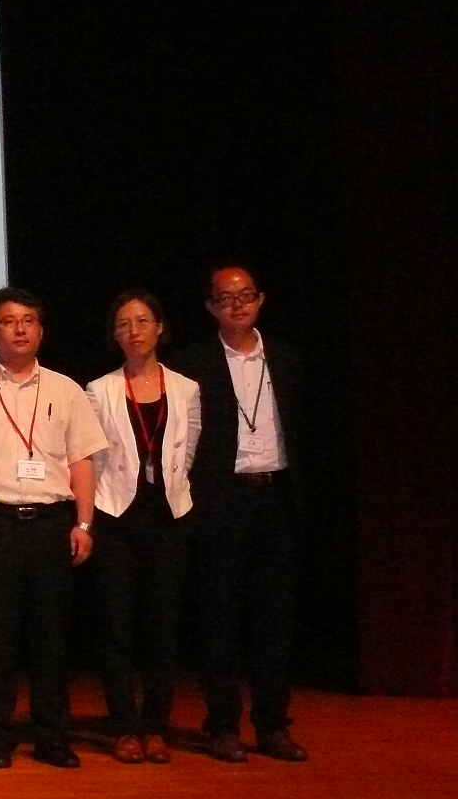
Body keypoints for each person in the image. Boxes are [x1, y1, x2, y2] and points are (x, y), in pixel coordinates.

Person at [0, 287, 107, 769]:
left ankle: (52, 736)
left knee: (51, 637)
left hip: (51, 524)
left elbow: (82, 460)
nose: (19, 329)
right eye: (8, 322)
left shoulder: (66, 390)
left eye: (28, 320)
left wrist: (84, 522)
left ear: (41, 330)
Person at [179, 265, 308, 762]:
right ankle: (223, 726)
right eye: (226, 298)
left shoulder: (287, 358)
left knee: (275, 621)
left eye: (246, 295)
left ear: (261, 300)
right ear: (210, 307)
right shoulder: (192, 364)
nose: (237, 304)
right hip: (222, 501)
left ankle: (273, 725)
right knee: (220, 619)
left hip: (276, 499)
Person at [85, 290, 201, 764]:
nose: (133, 331)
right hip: (115, 516)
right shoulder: (99, 389)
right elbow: (93, 459)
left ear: (160, 327)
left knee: (162, 627)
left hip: (168, 517)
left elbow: (188, 452)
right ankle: (124, 726)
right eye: (123, 324)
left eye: (142, 321)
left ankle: (155, 725)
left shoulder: (187, 388)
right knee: (116, 628)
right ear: (114, 335)